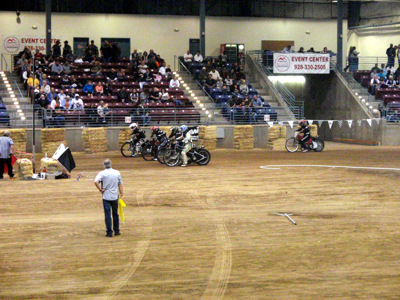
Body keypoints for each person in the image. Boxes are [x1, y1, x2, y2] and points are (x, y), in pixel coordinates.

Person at [94, 159, 123, 237]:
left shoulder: (102, 173)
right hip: (114, 196)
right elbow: (120, 184)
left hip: (106, 195)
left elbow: (96, 181)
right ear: (111, 164)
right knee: (115, 213)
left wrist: (100, 190)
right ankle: (116, 230)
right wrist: (122, 194)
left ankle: (109, 232)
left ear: (104, 165)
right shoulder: (117, 172)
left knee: (107, 214)